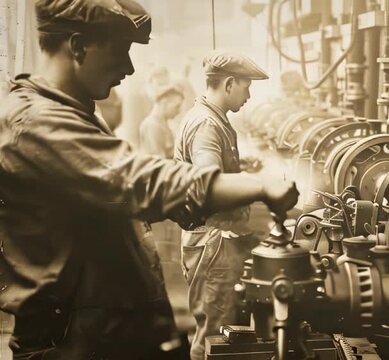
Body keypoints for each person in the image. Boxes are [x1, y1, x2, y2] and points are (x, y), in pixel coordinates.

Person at [0, 1, 298, 359]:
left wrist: (189, 209)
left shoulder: (74, 112)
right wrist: (259, 185)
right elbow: (136, 179)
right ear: (78, 46)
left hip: (105, 335)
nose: (128, 68)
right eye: (121, 51)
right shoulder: (36, 123)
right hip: (73, 345)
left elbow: (115, 200)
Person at [174, 50, 270, 360]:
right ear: (229, 84)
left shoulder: (211, 118)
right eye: (246, 86)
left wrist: (239, 167)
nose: (249, 94)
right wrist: (265, 189)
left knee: (219, 330)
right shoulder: (207, 125)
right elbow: (210, 187)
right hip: (214, 244)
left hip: (214, 240)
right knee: (216, 337)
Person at [139, 82, 184, 158]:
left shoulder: (164, 124)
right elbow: (160, 162)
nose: (179, 111)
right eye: (177, 106)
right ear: (164, 103)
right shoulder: (152, 126)